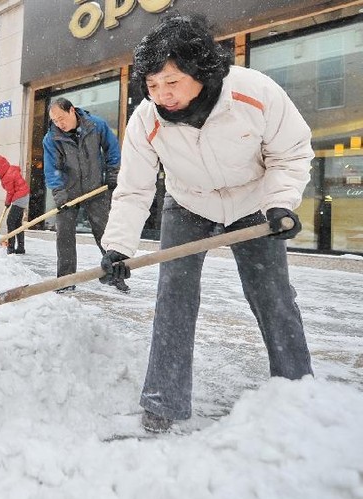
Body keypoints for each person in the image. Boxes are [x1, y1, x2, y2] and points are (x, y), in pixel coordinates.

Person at [98, 13, 314, 433]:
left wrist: (279, 203)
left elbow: (290, 153)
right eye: (153, 84)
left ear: (200, 70)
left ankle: (299, 393)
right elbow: (135, 189)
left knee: (273, 297)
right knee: (174, 298)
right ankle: (163, 400)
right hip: (188, 203)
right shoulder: (146, 120)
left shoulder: (254, 93)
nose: (162, 94)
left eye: (172, 81)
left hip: (254, 203)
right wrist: (118, 247)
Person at [42, 97, 126, 293]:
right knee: (64, 236)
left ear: (72, 110)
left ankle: (115, 275)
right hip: (68, 193)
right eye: (54, 120)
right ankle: (65, 280)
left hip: (95, 188)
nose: (59, 124)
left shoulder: (96, 125)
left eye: (61, 118)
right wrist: (59, 194)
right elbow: (51, 169)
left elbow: (112, 149)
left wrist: (113, 173)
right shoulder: (51, 138)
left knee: (105, 234)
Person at [0, 155, 30, 254]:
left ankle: (11, 248)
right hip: (24, 196)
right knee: (17, 224)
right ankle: (21, 247)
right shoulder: (10, 170)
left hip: (19, 197)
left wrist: (7, 203)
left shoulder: (7, 176)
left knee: (10, 221)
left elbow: (10, 192)